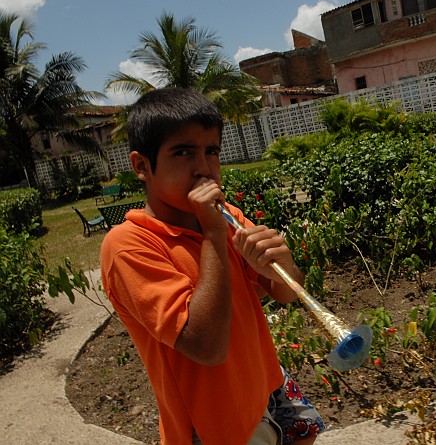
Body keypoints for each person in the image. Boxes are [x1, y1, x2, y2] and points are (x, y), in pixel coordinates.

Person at [100, 87, 324, 445]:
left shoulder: (226, 216)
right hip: (215, 424)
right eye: (183, 152)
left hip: (265, 382)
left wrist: (283, 266)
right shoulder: (129, 245)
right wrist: (213, 235)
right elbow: (207, 347)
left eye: (212, 151)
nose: (203, 168)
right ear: (142, 166)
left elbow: (284, 294)